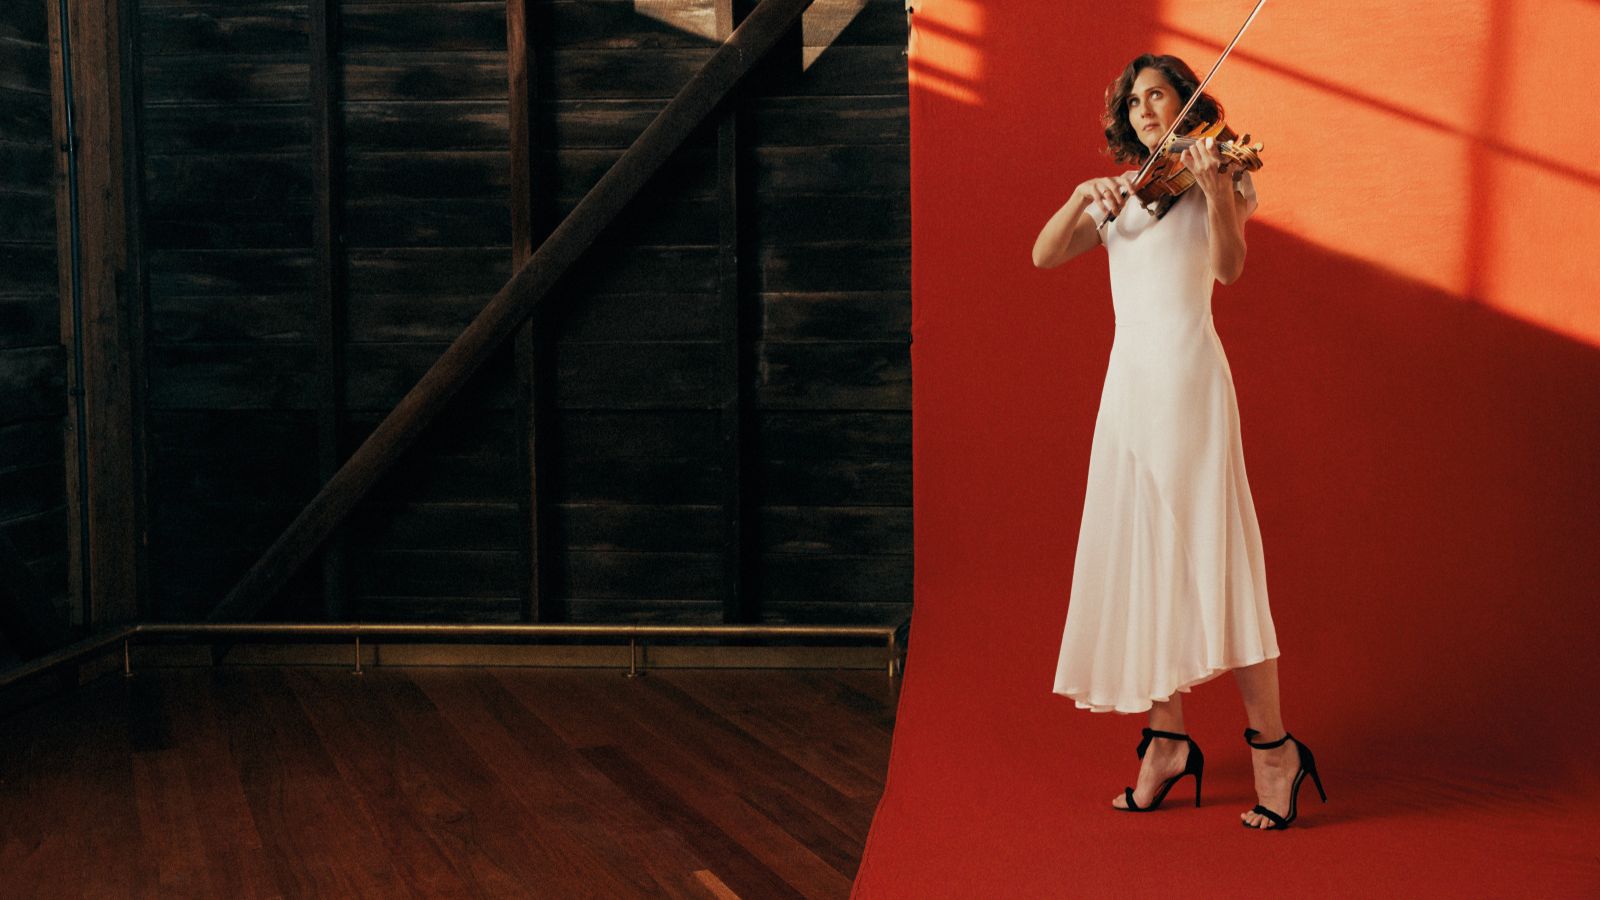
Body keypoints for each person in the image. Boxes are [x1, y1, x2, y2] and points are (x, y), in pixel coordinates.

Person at [1031, 54, 1326, 830]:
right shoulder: (1124, 195)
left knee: (1213, 552)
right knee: (1141, 555)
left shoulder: (1213, 176)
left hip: (1191, 385)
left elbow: (1228, 270)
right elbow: (1043, 254)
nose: (1146, 109)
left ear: (1188, 102)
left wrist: (1221, 190)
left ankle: (1274, 748)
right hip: (1128, 390)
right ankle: (1166, 742)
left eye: (1159, 95)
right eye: (1134, 102)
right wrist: (1075, 198)